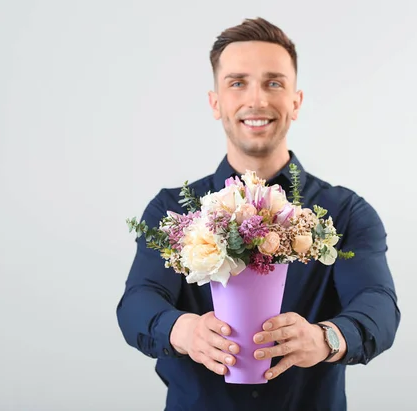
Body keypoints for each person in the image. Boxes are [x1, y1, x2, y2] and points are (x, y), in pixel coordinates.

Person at [116, 17, 401, 411]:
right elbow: (138, 301)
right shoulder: (171, 209)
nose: (257, 100)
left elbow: (378, 304)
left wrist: (326, 338)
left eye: (274, 83)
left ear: (296, 101)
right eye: (237, 83)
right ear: (215, 102)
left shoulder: (347, 212)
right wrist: (184, 330)